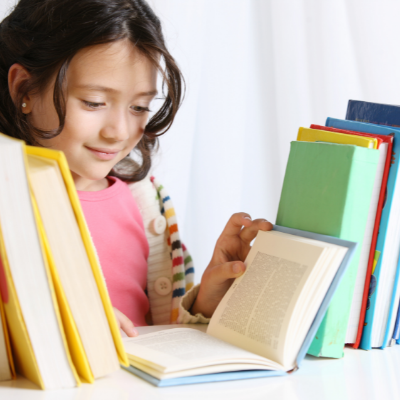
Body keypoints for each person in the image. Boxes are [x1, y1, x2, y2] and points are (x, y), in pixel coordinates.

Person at [0, 0, 272, 336]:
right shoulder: (8, 198)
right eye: (94, 103)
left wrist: (205, 303)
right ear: (24, 89)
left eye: (139, 106)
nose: (118, 131)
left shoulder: (147, 201)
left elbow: (161, 332)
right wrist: (60, 324)